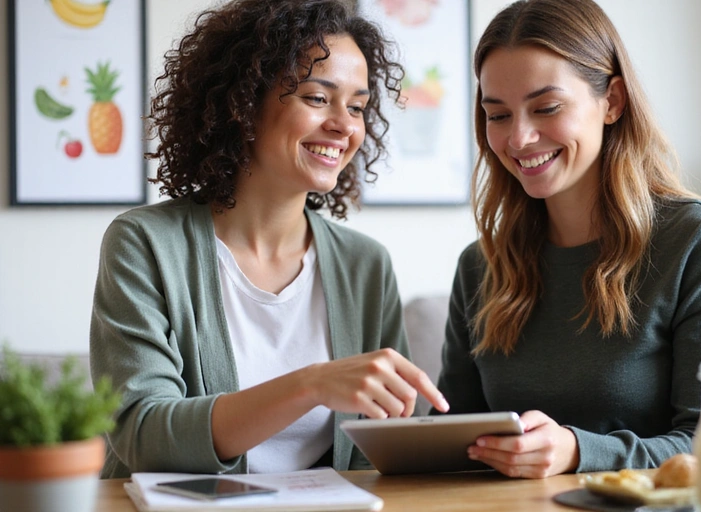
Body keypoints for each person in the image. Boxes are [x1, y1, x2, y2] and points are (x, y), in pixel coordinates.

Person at [89, 0, 449, 479]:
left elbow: (380, 453)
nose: (345, 125)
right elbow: (144, 435)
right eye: (318, 98)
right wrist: (312, 384)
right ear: (243, 102)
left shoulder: (365, 266)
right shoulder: (144, 245)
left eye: (358, 107)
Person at [435, 0, 701, 479]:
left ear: (612, 101)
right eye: (498, 115)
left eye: (546, 107)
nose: (519, 138)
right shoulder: (480, 266)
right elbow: (456, 436)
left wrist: (578, 451)